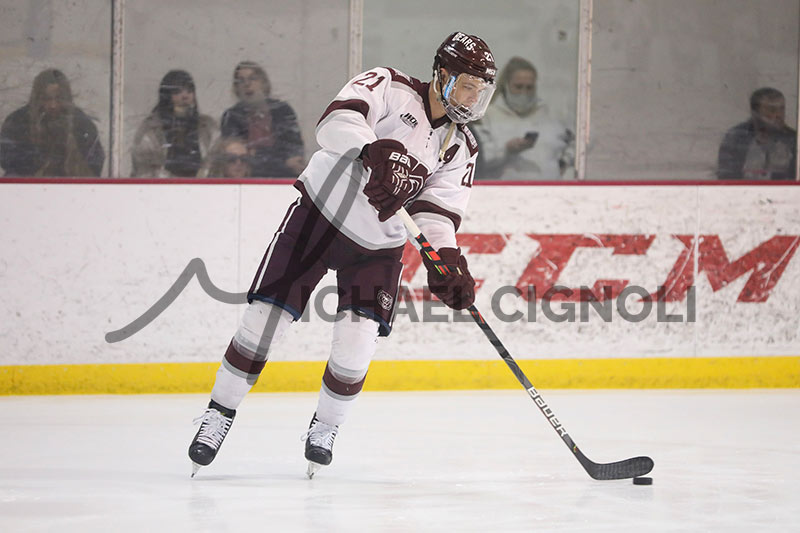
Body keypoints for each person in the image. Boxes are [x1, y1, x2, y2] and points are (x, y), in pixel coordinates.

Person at [188, 31, 496, 478]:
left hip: (378, 246)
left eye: (479, 90)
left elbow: (437, 212)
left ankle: (326, 427)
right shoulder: (388, 85)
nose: (472, 97)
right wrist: (371, 150)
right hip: (319, 217)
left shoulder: (461, 146)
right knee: (264, 322)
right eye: (466, 85)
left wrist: (447, 260)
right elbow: (333, 123)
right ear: (442, 74)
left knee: (357, 346)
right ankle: (218, 414)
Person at [471, 56, 574, 180]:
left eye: (529, 87)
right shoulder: (487, 116)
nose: (523, 92)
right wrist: (506, 150)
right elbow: (478, 160)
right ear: (506, 86)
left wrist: (565, 161)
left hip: (551, 187)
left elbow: (582, 139)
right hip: (504, 188)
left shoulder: (551, 115)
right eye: (518, 87)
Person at [0, 68, 104, 177]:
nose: (53, 105)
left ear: (66, 97)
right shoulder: (18, 122)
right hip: (27, 184)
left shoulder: (81, 124)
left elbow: (95, 164)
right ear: (37, 98)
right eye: (46, 99)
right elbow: (6, 159)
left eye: (58, 98)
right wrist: (36, 159)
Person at [220, 61, 305, 178]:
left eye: (253, 78)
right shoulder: (231, 116)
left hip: (284, 180)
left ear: (264, 83)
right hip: (247, 181)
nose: (247, 84)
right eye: (241, 81)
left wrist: (256, 153)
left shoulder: (282, 111)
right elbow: (237, 158)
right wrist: (282, 161)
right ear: (236, 88)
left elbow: (294, 156)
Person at [131, 70, 216, 178]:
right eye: (177, 91)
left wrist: (202, 175)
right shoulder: (151, 128)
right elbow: (144, 168)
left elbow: (216, 159)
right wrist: (173, 181)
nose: (185, 96)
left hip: (202, 186)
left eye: (189, 90)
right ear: (166, 96)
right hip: (161, 186)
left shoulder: (207, 126)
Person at [717, 87, 797, 180]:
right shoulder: (736, 138)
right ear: (755, 113)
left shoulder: (794, 140)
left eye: (782, 109)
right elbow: (727, 178)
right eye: (772, 110)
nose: (779, 115)